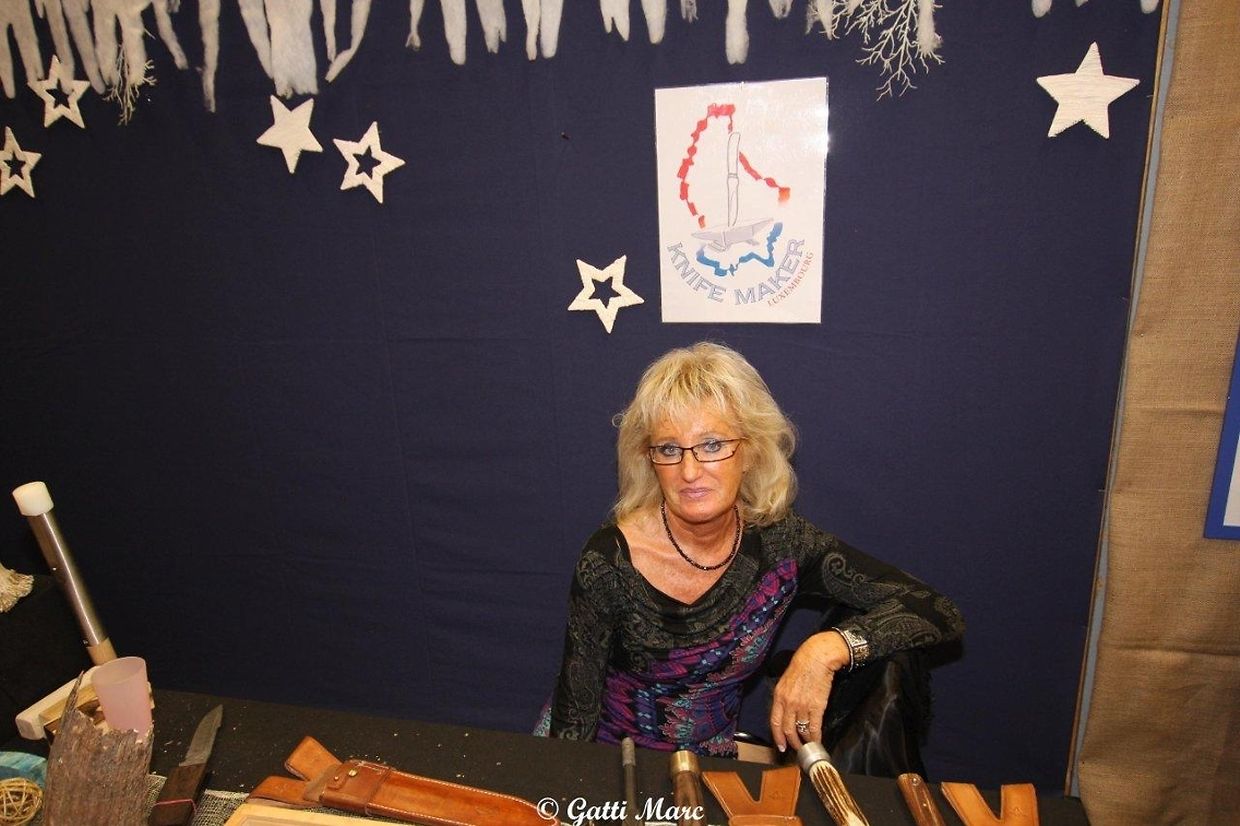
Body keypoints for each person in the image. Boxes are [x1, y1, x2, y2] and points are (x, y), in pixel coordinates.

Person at [545, 342, 964, 757]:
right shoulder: (609, 560)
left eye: (712, 445)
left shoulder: (782, 543)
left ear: (750, 453)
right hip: (614, 763)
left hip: (712, 766)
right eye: (669, 449)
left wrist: (825, 651)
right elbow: (574, 723)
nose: (689, 472)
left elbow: (936, 610)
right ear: (650, 460)